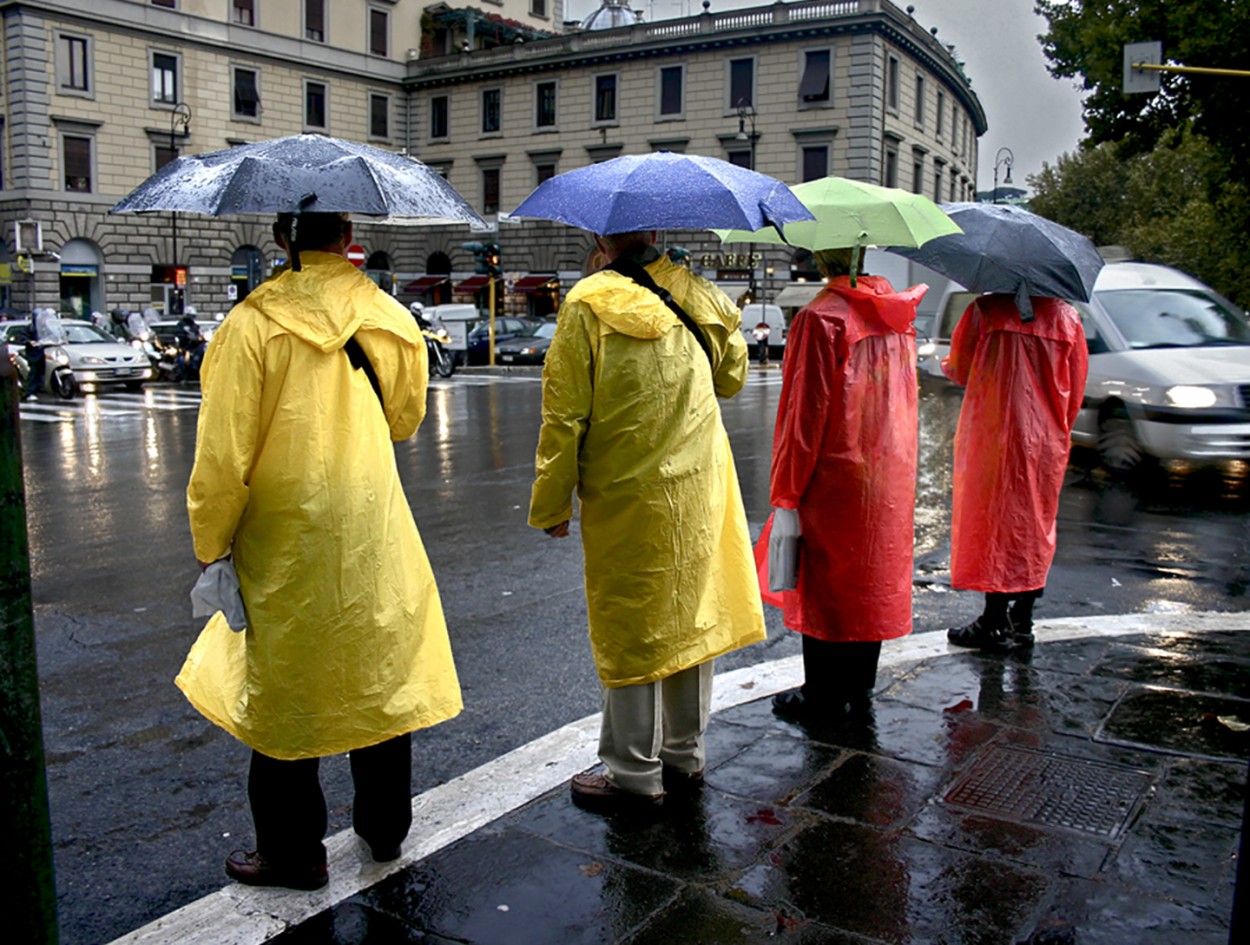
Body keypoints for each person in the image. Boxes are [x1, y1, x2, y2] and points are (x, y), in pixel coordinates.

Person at [177, 210, 462, 890]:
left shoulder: (250, 324)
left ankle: (291, 848)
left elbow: (223, 456)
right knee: (379, 668)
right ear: (346, 236)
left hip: (285, 534)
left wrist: (210, 540)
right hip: (371, 520)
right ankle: (385, 827)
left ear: (282, 237)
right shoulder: (389, 317)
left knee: (282, 685)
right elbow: (406, 419)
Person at [529, 230, 766, 812]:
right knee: (692, 615)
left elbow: (565, 416)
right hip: (699, 487)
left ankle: (633, 773)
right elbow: (732, 379)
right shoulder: (699, 292)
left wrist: (552, 503)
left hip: (629, 491)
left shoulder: (589, 301)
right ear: (657, 235)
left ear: (601, 236)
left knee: (632, 621)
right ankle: (685, 755)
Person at [762, 248, 926, 722]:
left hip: (835, 473)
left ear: (820, 256)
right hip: (886, 470)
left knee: (826, 587)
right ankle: (858, 684)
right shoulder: (896, 315)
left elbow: (804, 414)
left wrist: (787, 490)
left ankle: (821, 695)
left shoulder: (821, 318)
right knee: (867, 578)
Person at [942, 294, 1089, 652]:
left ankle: (992, 620)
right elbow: (1076, 384)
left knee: (995, 523)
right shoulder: (1067, 318)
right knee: (1034, 524)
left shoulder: (987, 310)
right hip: (1044, 437)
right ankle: (1023, 619)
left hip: (993, 431)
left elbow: (961, 370)